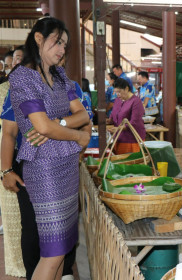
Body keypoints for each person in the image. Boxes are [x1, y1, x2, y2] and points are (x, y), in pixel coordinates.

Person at [7, 17, 91, 279]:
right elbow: (41, 126)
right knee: (52, 254)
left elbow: (83, 114)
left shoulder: (60, 75)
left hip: (66, 167)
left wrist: (60, 122)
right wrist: (76, 138)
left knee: (63, 247)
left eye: (65, 45)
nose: (62, 50)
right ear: (39, 39)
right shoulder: (22, 77)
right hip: (44, 169)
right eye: (57, 42)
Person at [107, 78, 145, 154]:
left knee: (130, 163)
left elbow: (134, 123)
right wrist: (109, 120)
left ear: (127, 89)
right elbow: (113, 114)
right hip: (118, 139)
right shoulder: (118, 100)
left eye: (119, 92)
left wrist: (118, 129)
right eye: (116, 92)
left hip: (131, 140)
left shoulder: (136, 101)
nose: (117, 94)